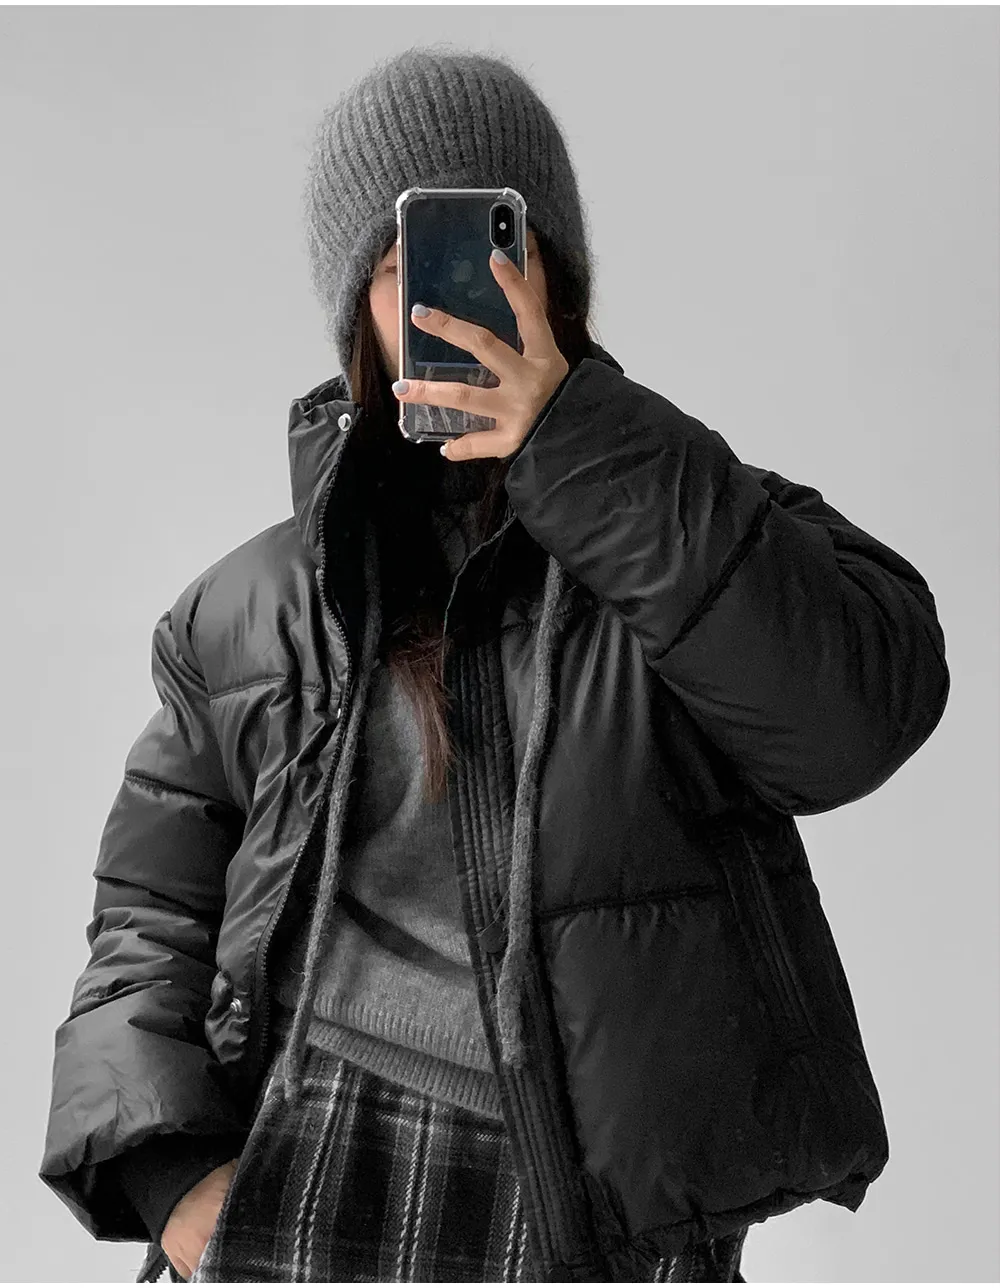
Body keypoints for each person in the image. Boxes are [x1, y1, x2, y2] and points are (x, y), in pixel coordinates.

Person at [38, 44, 951, 1285]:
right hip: (298, 1172)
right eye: (402, 267)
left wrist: (582, 443)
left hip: (592, 1213)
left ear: (556, 276)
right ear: (354, 315)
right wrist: (165, 1173)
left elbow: (852, 718)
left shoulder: (682, 525)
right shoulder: (247, 609)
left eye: (494, 251)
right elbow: (150, 910)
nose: (454, 302)